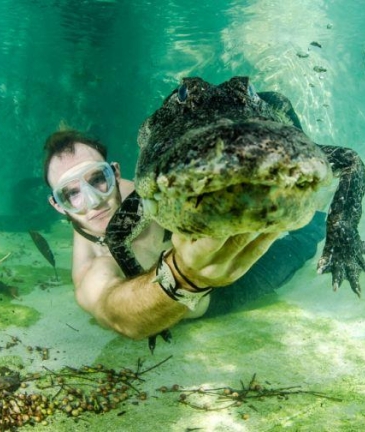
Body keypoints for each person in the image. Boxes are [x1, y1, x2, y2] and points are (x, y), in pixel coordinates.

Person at [43, 129, 324, 340]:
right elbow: (118, 316)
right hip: (216, 298)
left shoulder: (146, 187)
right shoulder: (91, 263)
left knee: (307, 228)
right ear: (57, 205)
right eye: (72, 194)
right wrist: (186, 276)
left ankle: (325, 222)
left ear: (115, 173)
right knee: (298, 248)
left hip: (226, 240)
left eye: (97, 179)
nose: (93, 201)